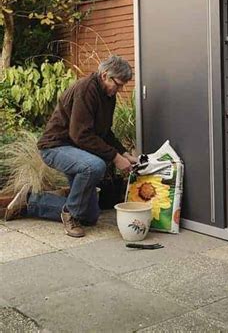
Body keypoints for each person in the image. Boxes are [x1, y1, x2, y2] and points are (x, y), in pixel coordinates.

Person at [5, 55, 137, 238]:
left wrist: (123, 152)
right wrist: (115, 158)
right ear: (105, 75)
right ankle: (70, 214)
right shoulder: (85, 88)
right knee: (95, 166)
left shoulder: (108, 95)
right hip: (55, 147)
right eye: (118, 84)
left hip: (76, 150)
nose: (119, 89)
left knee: (90, 217)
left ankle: (30, 202)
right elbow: (80, 134)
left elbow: (105, 132)